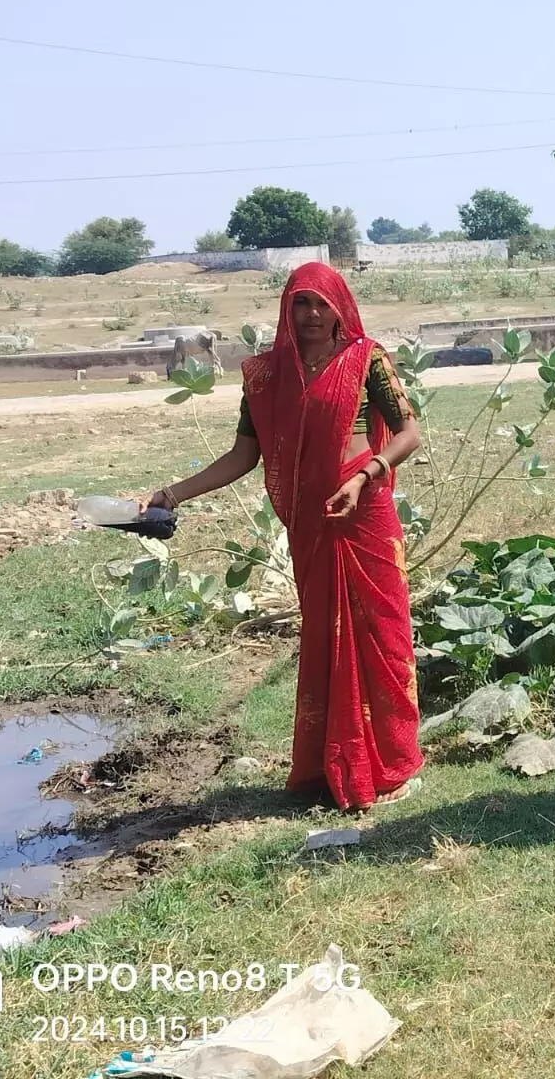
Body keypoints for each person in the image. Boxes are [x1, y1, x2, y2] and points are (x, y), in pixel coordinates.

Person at [143, 262, 425, 812]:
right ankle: (330, 765)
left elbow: (409, 433)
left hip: (364, 517)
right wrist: (170, 494)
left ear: (341, 308)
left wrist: (365, 475)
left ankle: (394, 765)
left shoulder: (367, 360)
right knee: (324, 641)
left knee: (383, 639)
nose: (313, 315)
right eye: (302, 304)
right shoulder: (267, 378)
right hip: (312, 526)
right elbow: (243, 456)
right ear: (286, 310)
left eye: (323, 304)